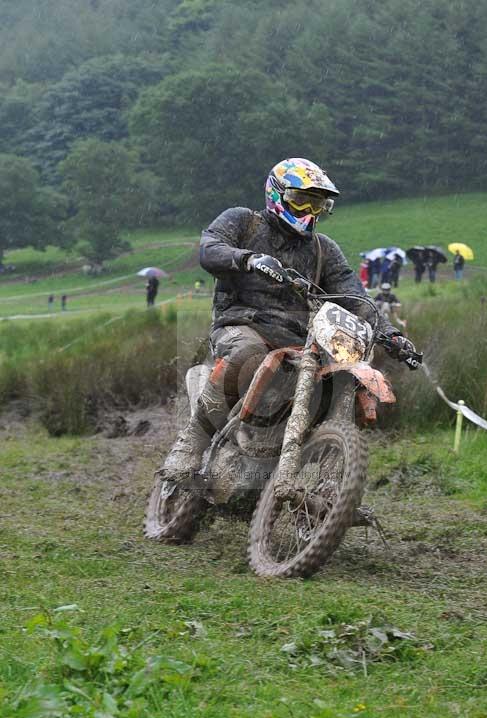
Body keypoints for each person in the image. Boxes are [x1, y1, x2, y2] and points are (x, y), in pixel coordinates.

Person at [162, 157, 417, 480]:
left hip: (302, 340)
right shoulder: (244, 222)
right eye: (300, 201)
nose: (308, 212)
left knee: (344, 377)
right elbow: (209, 249)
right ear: (276, 195)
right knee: (246, 354)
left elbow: (355, 298)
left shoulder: (324, 249)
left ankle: (333, 483)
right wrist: (248, 259)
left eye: (317, 205)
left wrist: (391, 336)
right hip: (242, 323)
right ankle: (190, 445)